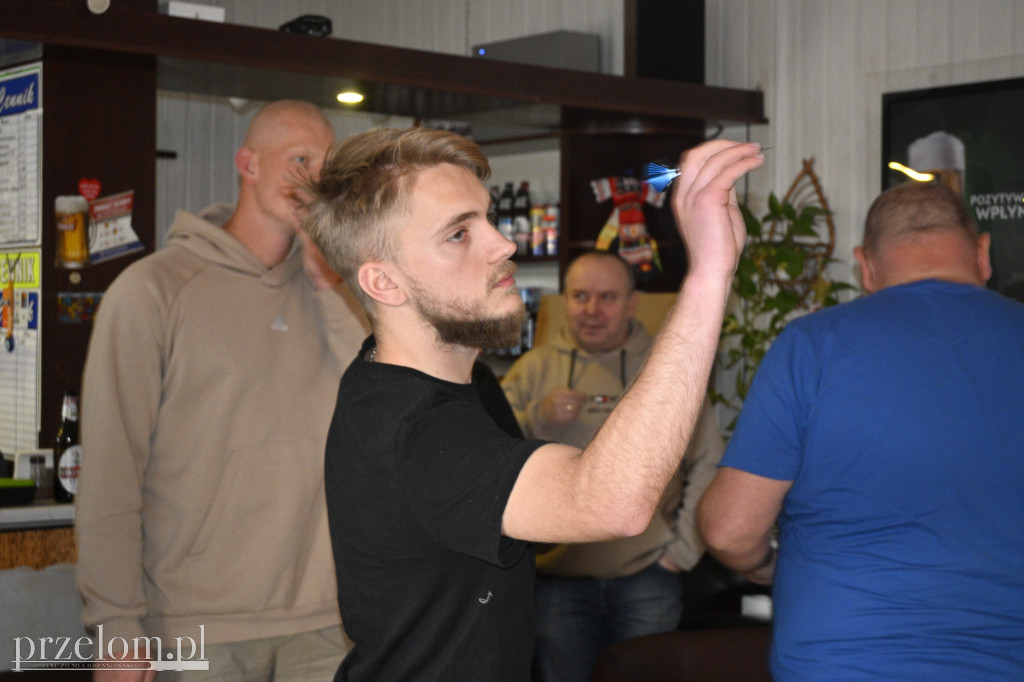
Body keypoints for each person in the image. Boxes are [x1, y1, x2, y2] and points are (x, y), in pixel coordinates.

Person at [301, 126, 763, 681]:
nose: (503, 245)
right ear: (384, 282)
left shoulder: (460, 385)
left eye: (488, 219)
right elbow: (609, 502)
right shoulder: (410, 426)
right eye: (458, 234)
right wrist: (709, 275)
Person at [76, 100, 370, 681]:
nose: (316, 181)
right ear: (248, 165)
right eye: (300, 160)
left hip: (325, 623)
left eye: (327, 167)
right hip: (196, 627)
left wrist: (326, 280)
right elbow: (111, 473)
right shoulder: (152, 291)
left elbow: (383, 400)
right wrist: (115, 627)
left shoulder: (340, 296)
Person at [697, 181, 1024, 679]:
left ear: (864, 266)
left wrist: (766, 566)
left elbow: (730, 529)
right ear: (983, 253)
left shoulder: (812, 345)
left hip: (842, 662)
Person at [501, 250, 724, 682]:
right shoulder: (534, 369)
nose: (592, 309)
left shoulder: (666, 371)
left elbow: (707, 462)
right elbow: (490, 457)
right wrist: (536, 418)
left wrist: (681, 552)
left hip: (648, 576)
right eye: (580, 296)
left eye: (607, 297)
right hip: (558, 579)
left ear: (631, 303)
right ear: (564, 300)